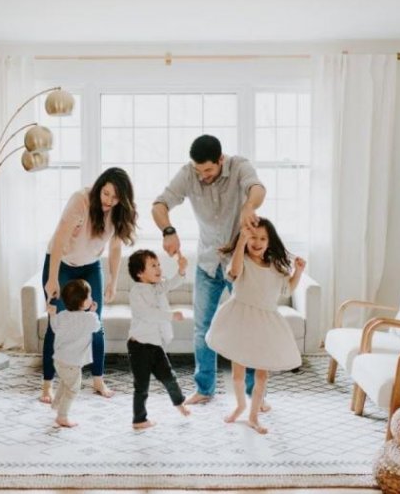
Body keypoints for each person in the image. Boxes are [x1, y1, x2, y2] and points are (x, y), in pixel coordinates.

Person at [152, 134, 266, 407]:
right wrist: (168, 230)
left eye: (208, 170)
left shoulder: (239, 166)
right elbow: (160, 204)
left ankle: (254, 394)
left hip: (239, 263)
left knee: (248, 327)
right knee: (203, 328)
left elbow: (257, 188)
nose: (202, 176)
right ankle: (204, 389)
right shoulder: (189, 173)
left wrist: (248, 206)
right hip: (207, 263)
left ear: (221, 160)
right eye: (198, 170)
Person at [41, 167, 137, 403]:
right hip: (62, 263)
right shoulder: (80, 201)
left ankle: (98, 380)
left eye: (115, 198)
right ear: (98, 187)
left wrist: (113, 280)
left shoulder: (117, 212)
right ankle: (47, 386)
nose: (109, 201)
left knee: (95, 322)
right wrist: (52, 279)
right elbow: (60, 240)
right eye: (106, 194)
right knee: (57, 324)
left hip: (91, 266)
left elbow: (115, 248)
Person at [206, 218, 305, 434]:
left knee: (262, 374)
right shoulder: (243, 261)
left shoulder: (276, 267)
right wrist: (241, 242)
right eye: (253, 237)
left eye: (262, 238)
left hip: (266, 323)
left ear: (270, 242)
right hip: (240, 319)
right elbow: (233, 273)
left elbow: (286, 290)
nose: (257, 242)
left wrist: (297, 272)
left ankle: (253, 415)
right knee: (237, 373)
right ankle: (240, 405)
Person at [127, 249, 191, 430]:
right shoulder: (137, 292)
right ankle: (139, 420)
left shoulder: (157, 286)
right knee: (142, 386)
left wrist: (181, 270)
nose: (158, 268)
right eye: (153, 265)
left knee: (169, 377)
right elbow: (148, 314)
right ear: (140, 273)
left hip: (155, 346)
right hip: (139, 346)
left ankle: (179, 403)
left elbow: (172, 283)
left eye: (159, 265)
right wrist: (171, 315)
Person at [47, 279, 102, 428]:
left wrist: (52, 314)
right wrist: (93, 313)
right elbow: (97, 327)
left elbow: (55, 327)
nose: (91, 299)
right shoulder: (89, 318)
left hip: (58, 360)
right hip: (72, 363)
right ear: (84, 303)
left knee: (65, 382)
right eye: (89, 296)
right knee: (73, 388)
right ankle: (62, 416)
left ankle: (57, 404)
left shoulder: (63, 315)